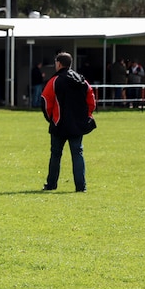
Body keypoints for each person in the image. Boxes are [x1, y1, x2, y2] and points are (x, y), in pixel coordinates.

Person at [41, 52, 96, 192]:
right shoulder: (82, 81)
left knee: (55, 154)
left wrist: (51, 119)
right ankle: (80, 186)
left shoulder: (54, 80)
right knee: (77, 153)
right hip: (77, 124)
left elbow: (46, 101)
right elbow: (91, 101)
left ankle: (51, 184)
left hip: (59, 123)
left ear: (59, 64)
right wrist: (86, 116)